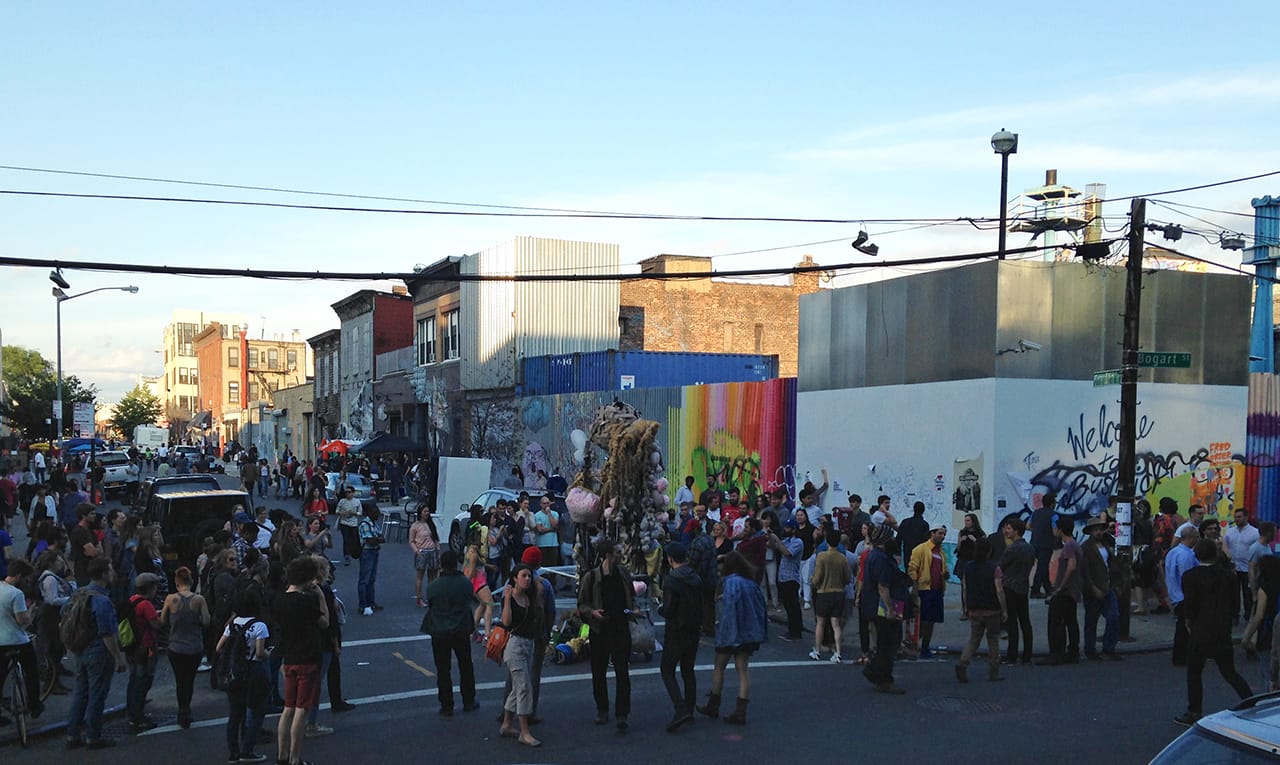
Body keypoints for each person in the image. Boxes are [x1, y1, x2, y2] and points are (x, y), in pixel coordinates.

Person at [1175, 539, 1254, 725]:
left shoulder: (1190, 576)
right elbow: (1235, 602)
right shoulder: (1228, 576)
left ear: (1197, 555)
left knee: (1194, 671)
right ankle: (1251, 702)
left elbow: (1191, 604)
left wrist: (1188, 621)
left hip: (1200, 629)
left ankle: (1194, 710)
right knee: (1229, 671)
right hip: (1221, 629)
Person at [696, 551, 767, 724]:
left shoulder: (729, 583)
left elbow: (729, 610)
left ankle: (713, 704)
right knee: (742, 668)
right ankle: (740, 711)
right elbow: (761, 608)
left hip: (731, 632)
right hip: (749, 633)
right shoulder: (751, 584)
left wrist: (721, 631)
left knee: (719, 666)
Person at [65, 557, 127, 750]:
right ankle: (93, 736)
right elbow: (107, 633)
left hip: (79, 648)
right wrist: (118, 657)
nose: (113, 573)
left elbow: (63, 615)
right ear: (103, 574)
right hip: (98, 651)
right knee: (97, 694)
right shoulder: (102, 601)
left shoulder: (79, 593)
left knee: (81, 691)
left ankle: (73, 734)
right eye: (110, 570)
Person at [275, 556, 330, 765]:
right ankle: (295, 758)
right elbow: (324, 622)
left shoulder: (279, 600)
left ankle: (281, 754)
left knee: (288, 707)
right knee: (301, 709)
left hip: (289, 656)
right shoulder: (306, 601)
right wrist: (320, 597)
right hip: (307, 656)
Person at [579, 539, 634, 729]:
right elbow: (581, 605)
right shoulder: (591, 577)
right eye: (618, 552)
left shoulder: (624, 574)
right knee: (599, 672)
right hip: (599, 630)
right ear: (608, 555)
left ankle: (622, 714)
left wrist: (632, 612)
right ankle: (602, 709)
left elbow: (630, 600)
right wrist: (592, 613)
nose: (621, 555)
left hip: (620, 629)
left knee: (622, 672)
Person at [218, 590, 271, 764]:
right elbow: (260, 652)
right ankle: (247, 749)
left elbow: (219, 647)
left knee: (235, 713)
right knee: (256, 710)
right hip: (254, 670)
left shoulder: (232, 624)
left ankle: (233, 752)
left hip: (235, 671)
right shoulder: (260, 626)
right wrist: (269, 653)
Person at [423, 549, 477, 716]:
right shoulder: (465, 583)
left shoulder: (433, 586)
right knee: (465, 665)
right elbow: (469, 598)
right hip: (460, 629)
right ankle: (468, 700)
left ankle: (446, 704)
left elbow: (431, 604)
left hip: (439, 630)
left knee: (443, 669)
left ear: (441, 565)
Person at [499, 564, 544, 748]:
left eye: (529, 576)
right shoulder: (511, 598)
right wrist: (508, 599)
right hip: (515, 645)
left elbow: (540, 595)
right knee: (524, 686)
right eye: (523, 576)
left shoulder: (529, 597)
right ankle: (524, 732)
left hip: (528, 645)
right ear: (515, 578)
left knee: (518, 687)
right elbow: (506, 622)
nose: (527, 579)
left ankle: (507, 724)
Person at [659, 541, 702, 732]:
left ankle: (680, 708)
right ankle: (689, 709)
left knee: (667, 669)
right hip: (693, 628)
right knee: (688, 669)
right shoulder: (695, 577)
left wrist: (660, 609)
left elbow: (668, 609)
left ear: (670, 559)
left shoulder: (672, 579)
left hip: (677, 629)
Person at [160, 566, 210, 728]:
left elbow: (163, 621)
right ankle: (186, 709)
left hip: (175, 646)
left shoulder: (170, 599)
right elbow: (206, 621)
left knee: (180, 679)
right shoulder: (199, 600)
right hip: (194, 646)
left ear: (176, 582)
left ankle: (182, 709)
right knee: (189, 679)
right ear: (191, 581)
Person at [955, 538, 1006, 682]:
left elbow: (965, 588)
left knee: (974, 639)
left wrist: (965, 607)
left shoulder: (969, 567)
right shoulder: (994, 567)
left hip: (974, 608)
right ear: (989, 551)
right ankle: (993, 671)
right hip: (992, 608)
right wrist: (1004, 609)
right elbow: (999, 590)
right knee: (993, 639)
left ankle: (963, 663)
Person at [0, 559, 43, 723]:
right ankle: (34, 704)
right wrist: (31, 613)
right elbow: (21, 620)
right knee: (31, 671)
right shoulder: (15, 594)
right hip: (17, 640)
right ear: (18, 576)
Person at [1038, 518, 1083, 666]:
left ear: (1061, 530)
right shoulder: (1075, 544)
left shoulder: (1069, 546)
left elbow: (1071, 566)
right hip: (1072, 590)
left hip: (1065, 591)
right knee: (1070, 621)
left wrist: (1059, 587)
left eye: (1056, 528)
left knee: (1056, 621)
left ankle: (1057, 653)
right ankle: (1072, 652)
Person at [124, 572, 164, 733]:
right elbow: (157, 625)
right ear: (150, 588)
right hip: (145, 647)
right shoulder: (146, 605)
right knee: (143, 681)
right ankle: (138, 717)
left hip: (132, 646)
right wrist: (161, 616)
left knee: (133, 680)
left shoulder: (132, 600)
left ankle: (132, 712)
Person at [1081, 516, 1122, 661]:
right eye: (1095, 530)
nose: (1098, 532)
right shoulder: (1086, 548)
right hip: (1094, 588)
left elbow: (1112, 565)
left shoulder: (1105, 545)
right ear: (1090, 532)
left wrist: (1115, 584)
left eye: (1100, 529)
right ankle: (1090, 649)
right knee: (1091, 621)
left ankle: (1109, 647)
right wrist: (1092, 587)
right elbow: (1085, 571)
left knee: (1114, 616)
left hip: (1108, 586)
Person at [907, 523, 950, 658]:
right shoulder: (921, 549)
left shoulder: (941, 552)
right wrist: (915, 588)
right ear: (932, 533)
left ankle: (925, 647)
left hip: (937, 590)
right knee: (924, 620)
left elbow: (944, 570)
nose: (942, 536)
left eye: (944, 534)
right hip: (924, 589)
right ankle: (914, 644)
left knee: (931, 620)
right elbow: (913, 569)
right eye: (940, 533)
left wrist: (945, 575)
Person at [810, 528, 852, 663]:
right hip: (839, 593)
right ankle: (838, 651)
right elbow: (847, 578)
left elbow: (817, 577)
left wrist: (813, 582)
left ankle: (817, 650)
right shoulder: (842, 558)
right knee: (836, 624)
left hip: (824, 592)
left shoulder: (822, 556)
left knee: (820, 623)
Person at [998, 517, 1035, 664]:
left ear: (1016, 531)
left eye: (1009, 528)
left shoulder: (1012, 548)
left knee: (1012, 623)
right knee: (1025, 621)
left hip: (1010, 587)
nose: (1006, 531)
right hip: (1023, 586)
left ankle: (1012, 655)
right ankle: (1027, 654)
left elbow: (1001, 565)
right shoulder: (1030, 548)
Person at [1166, 526, 1201, 666]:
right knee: (1185, 628)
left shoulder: (1172, 553)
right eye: (1197, 537)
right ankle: (1183, 656)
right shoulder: (1186, 556)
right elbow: (1187, 578)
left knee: (1181, 627)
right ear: (1191, 538)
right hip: (1184, 596)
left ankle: (1179, 656)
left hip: (1175, 594)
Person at [1226, 508, 1260, 624]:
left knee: (1248, 594)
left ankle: (1248, 617)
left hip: (1247, 569)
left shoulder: (1255, 532)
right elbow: (1225, 546)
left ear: (1246, 517)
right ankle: (1234, 616)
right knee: (1232, 594)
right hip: (1233, 568)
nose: (1237, 519)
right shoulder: (1230, 531)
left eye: (1239, 517)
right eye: (1235, 517)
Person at [772, 519, 804, 641]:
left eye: (788, 528)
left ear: (794, 529)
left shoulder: (798, 542)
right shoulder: (787, 540)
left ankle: (796, 631)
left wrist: (776, 539)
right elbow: (773, 546)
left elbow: (787, 552)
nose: (785, 530)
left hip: (791, 578)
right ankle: (791, 630)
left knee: (793, 606)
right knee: (788, 606)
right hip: (783, 577)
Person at [409, 505, 441, 608]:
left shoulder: (430, 524)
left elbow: (436, 539)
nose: (426, 513)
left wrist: (438, 551)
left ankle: (431, 597)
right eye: (424, 511)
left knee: (433, 576)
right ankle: (419, 598)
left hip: (432, 551)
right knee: (420, 576)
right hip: (422, 552)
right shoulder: (415, 526)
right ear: (420, 513)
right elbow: (411, 541)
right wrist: (417, 551)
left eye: (428, 511)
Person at [356, 504, 384, 616]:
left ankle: (371, 602)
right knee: (364, 580)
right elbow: (370, 540)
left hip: (374, 551)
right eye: (376, 513)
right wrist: (378, 539)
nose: (378, 515)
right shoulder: (365, 524)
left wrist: (377, 539)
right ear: (370, 513)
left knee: (371, 579)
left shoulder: (373, 524)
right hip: (367, 552)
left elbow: (380, 537)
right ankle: (362, 604)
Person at [1029, 492, 1058, 598]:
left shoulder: (1035, 513)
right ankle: (1035, 590)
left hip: (1034, 543)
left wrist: (1037, 529)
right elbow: (1055, 532)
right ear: (1051, 504)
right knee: (1042, 567)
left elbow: (1028, 526)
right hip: (1047, 544)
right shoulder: (1053, 515)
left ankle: (1048, 588)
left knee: (1043, 566)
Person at [896, 502, 930, 571]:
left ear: (914, 509)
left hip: (907, 553)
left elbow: (898, 539)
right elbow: (926, 542)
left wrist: (898, 554)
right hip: (919, 555)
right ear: (923, 511)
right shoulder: (924, 525)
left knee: (908, 573)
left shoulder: (905, 522)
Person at [335, 486, 363, 566]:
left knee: (353, 540)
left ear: (353, 493)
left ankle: (352, 552)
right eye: (346, 492)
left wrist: (354, 513)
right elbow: (337, 510)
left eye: (349, 492)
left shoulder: (357, 502)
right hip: (344, 523)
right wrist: (341, 513)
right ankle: (346, 556)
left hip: (353, 523)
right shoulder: (342, 501)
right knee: (346, 539)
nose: (347, 494)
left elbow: (360, 513)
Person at [532, 494, 560, 567]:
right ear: (541, 504)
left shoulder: (555, 514)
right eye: (544, 504)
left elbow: (554, 525)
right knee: (543, 566)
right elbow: (540, 529)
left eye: (548, 503)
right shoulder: (537, 515)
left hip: (553, 544)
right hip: (542, 544)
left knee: (553, 566)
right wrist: (551, 529)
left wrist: (549, 514)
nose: (546, 505)